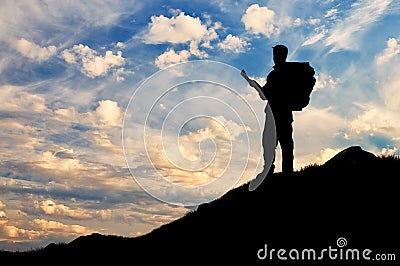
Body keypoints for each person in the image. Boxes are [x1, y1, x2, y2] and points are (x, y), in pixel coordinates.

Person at [244, 44, 294, 176]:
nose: (274, 57)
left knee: (270, 145)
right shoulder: (289, 73)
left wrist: (252, 83)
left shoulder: (275, 74)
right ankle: (287, 173)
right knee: (286, 145)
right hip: (285, 114)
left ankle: (269, 172)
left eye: (275, 54)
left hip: (274, 115)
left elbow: (263, 95)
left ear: (279, 55)